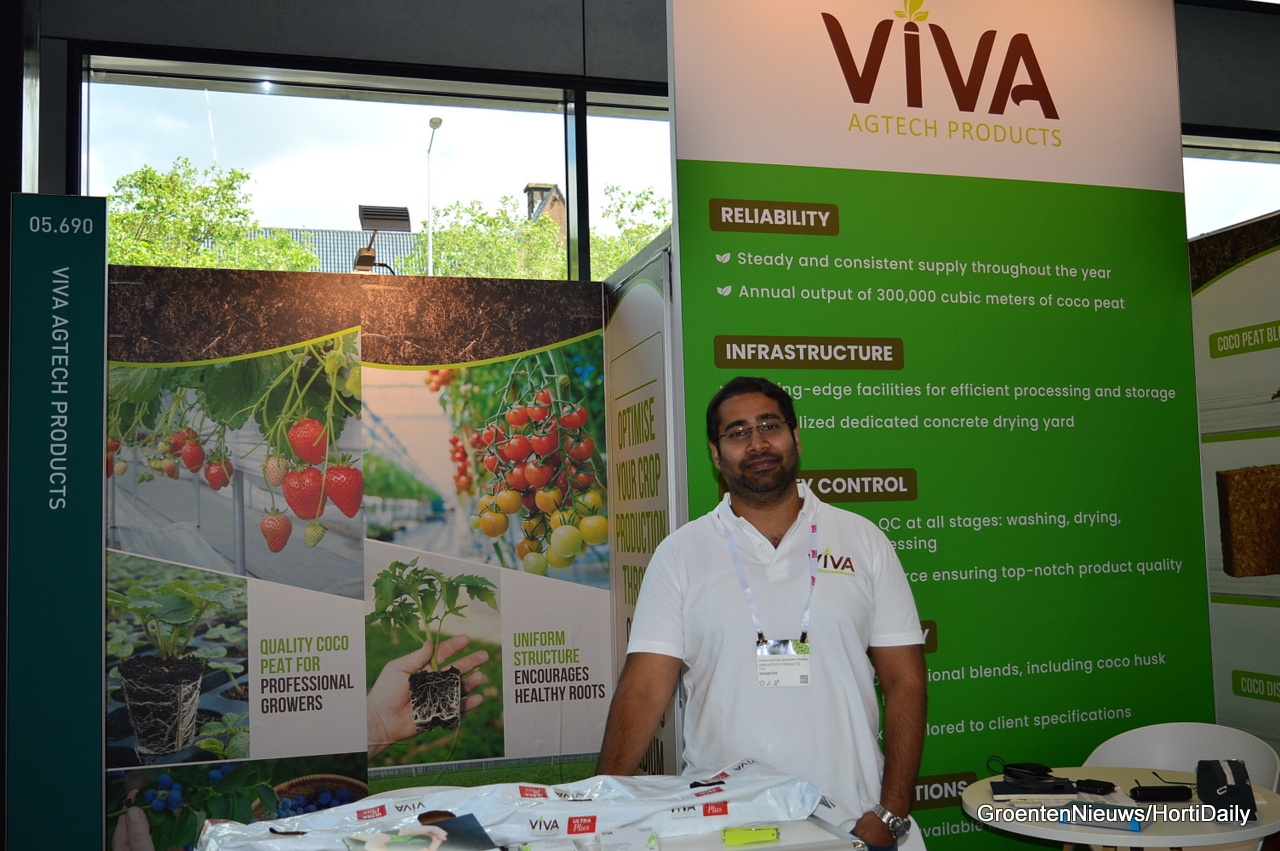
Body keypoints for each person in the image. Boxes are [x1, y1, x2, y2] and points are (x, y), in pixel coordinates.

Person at [596, 376, 927, 850]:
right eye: (737, 432)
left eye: (769, 426)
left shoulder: (863, 540)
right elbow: (644, 689)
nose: (756, 443)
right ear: (715, 454)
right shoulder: (680, 554)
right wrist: (598, 811)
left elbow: (906, 681)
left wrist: (891, 812)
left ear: (796, 438)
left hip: (854, 819)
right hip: (722, 826)